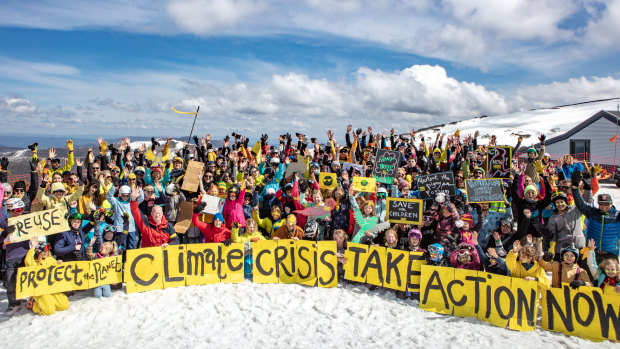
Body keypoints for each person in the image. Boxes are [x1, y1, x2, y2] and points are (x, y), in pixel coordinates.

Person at [571, 171, 620, 262]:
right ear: (598, 204)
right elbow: (580, 204)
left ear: (612, 204)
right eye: (601, 204)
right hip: (592, 253)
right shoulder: (593, 213)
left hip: (611, 255)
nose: (604, 207)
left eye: (607, 204)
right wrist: (575, 187)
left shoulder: (617, 216)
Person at [24, 237, 70, 315]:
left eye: (47, 250)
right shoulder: (35, 262)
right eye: (43, 250)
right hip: (40, 290)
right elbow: (28, 263)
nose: (45, 252)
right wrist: (32, 248)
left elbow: (57, 271)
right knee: (49, 311)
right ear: (38, 251)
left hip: (51, 287)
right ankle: (34, 304)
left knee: (64, 305)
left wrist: (59, 264)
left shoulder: (50, 259)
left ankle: (49, 302)